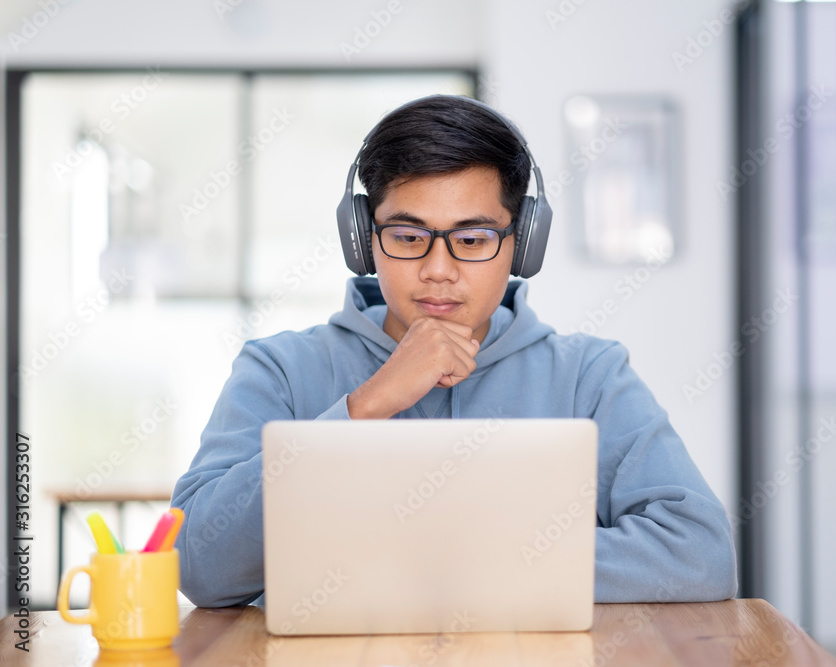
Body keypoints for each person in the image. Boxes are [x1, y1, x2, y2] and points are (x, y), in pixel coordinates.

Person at [171, 94, 738, 607]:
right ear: (364, 238)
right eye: (408, 236)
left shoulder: (588, 375)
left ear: (522, 245)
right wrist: (362, 407)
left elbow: (698, 555)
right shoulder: (281, 370)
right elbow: (200, 565)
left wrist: (462, 566)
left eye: (471, 239)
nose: (438, 271)